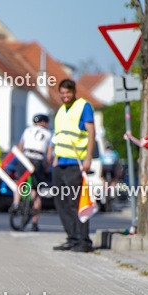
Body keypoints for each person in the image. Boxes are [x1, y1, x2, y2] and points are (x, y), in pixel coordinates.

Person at [50, 78, 95, 252]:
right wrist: (55, 159)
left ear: (74, 92)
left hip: (76, 164)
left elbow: (91, 132)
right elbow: (59, 137)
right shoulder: (60, 111)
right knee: (61, 203)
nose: (65, 96)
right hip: (60, 163)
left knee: (75, 203)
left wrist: (88, 158)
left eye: (68, 93)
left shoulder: (84, 106)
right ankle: (72, 237)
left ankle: (83, 240)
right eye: (62, 93)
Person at [10, 114, 52, 231]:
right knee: (36, 192)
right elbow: (49, 155)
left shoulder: (27, 131)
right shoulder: (48, 134)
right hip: (38, 160)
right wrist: (47, 169)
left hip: (25, 158)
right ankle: (34, 223)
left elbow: (20, 147)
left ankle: (16, 203)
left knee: (19, 183)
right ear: (44, 122)